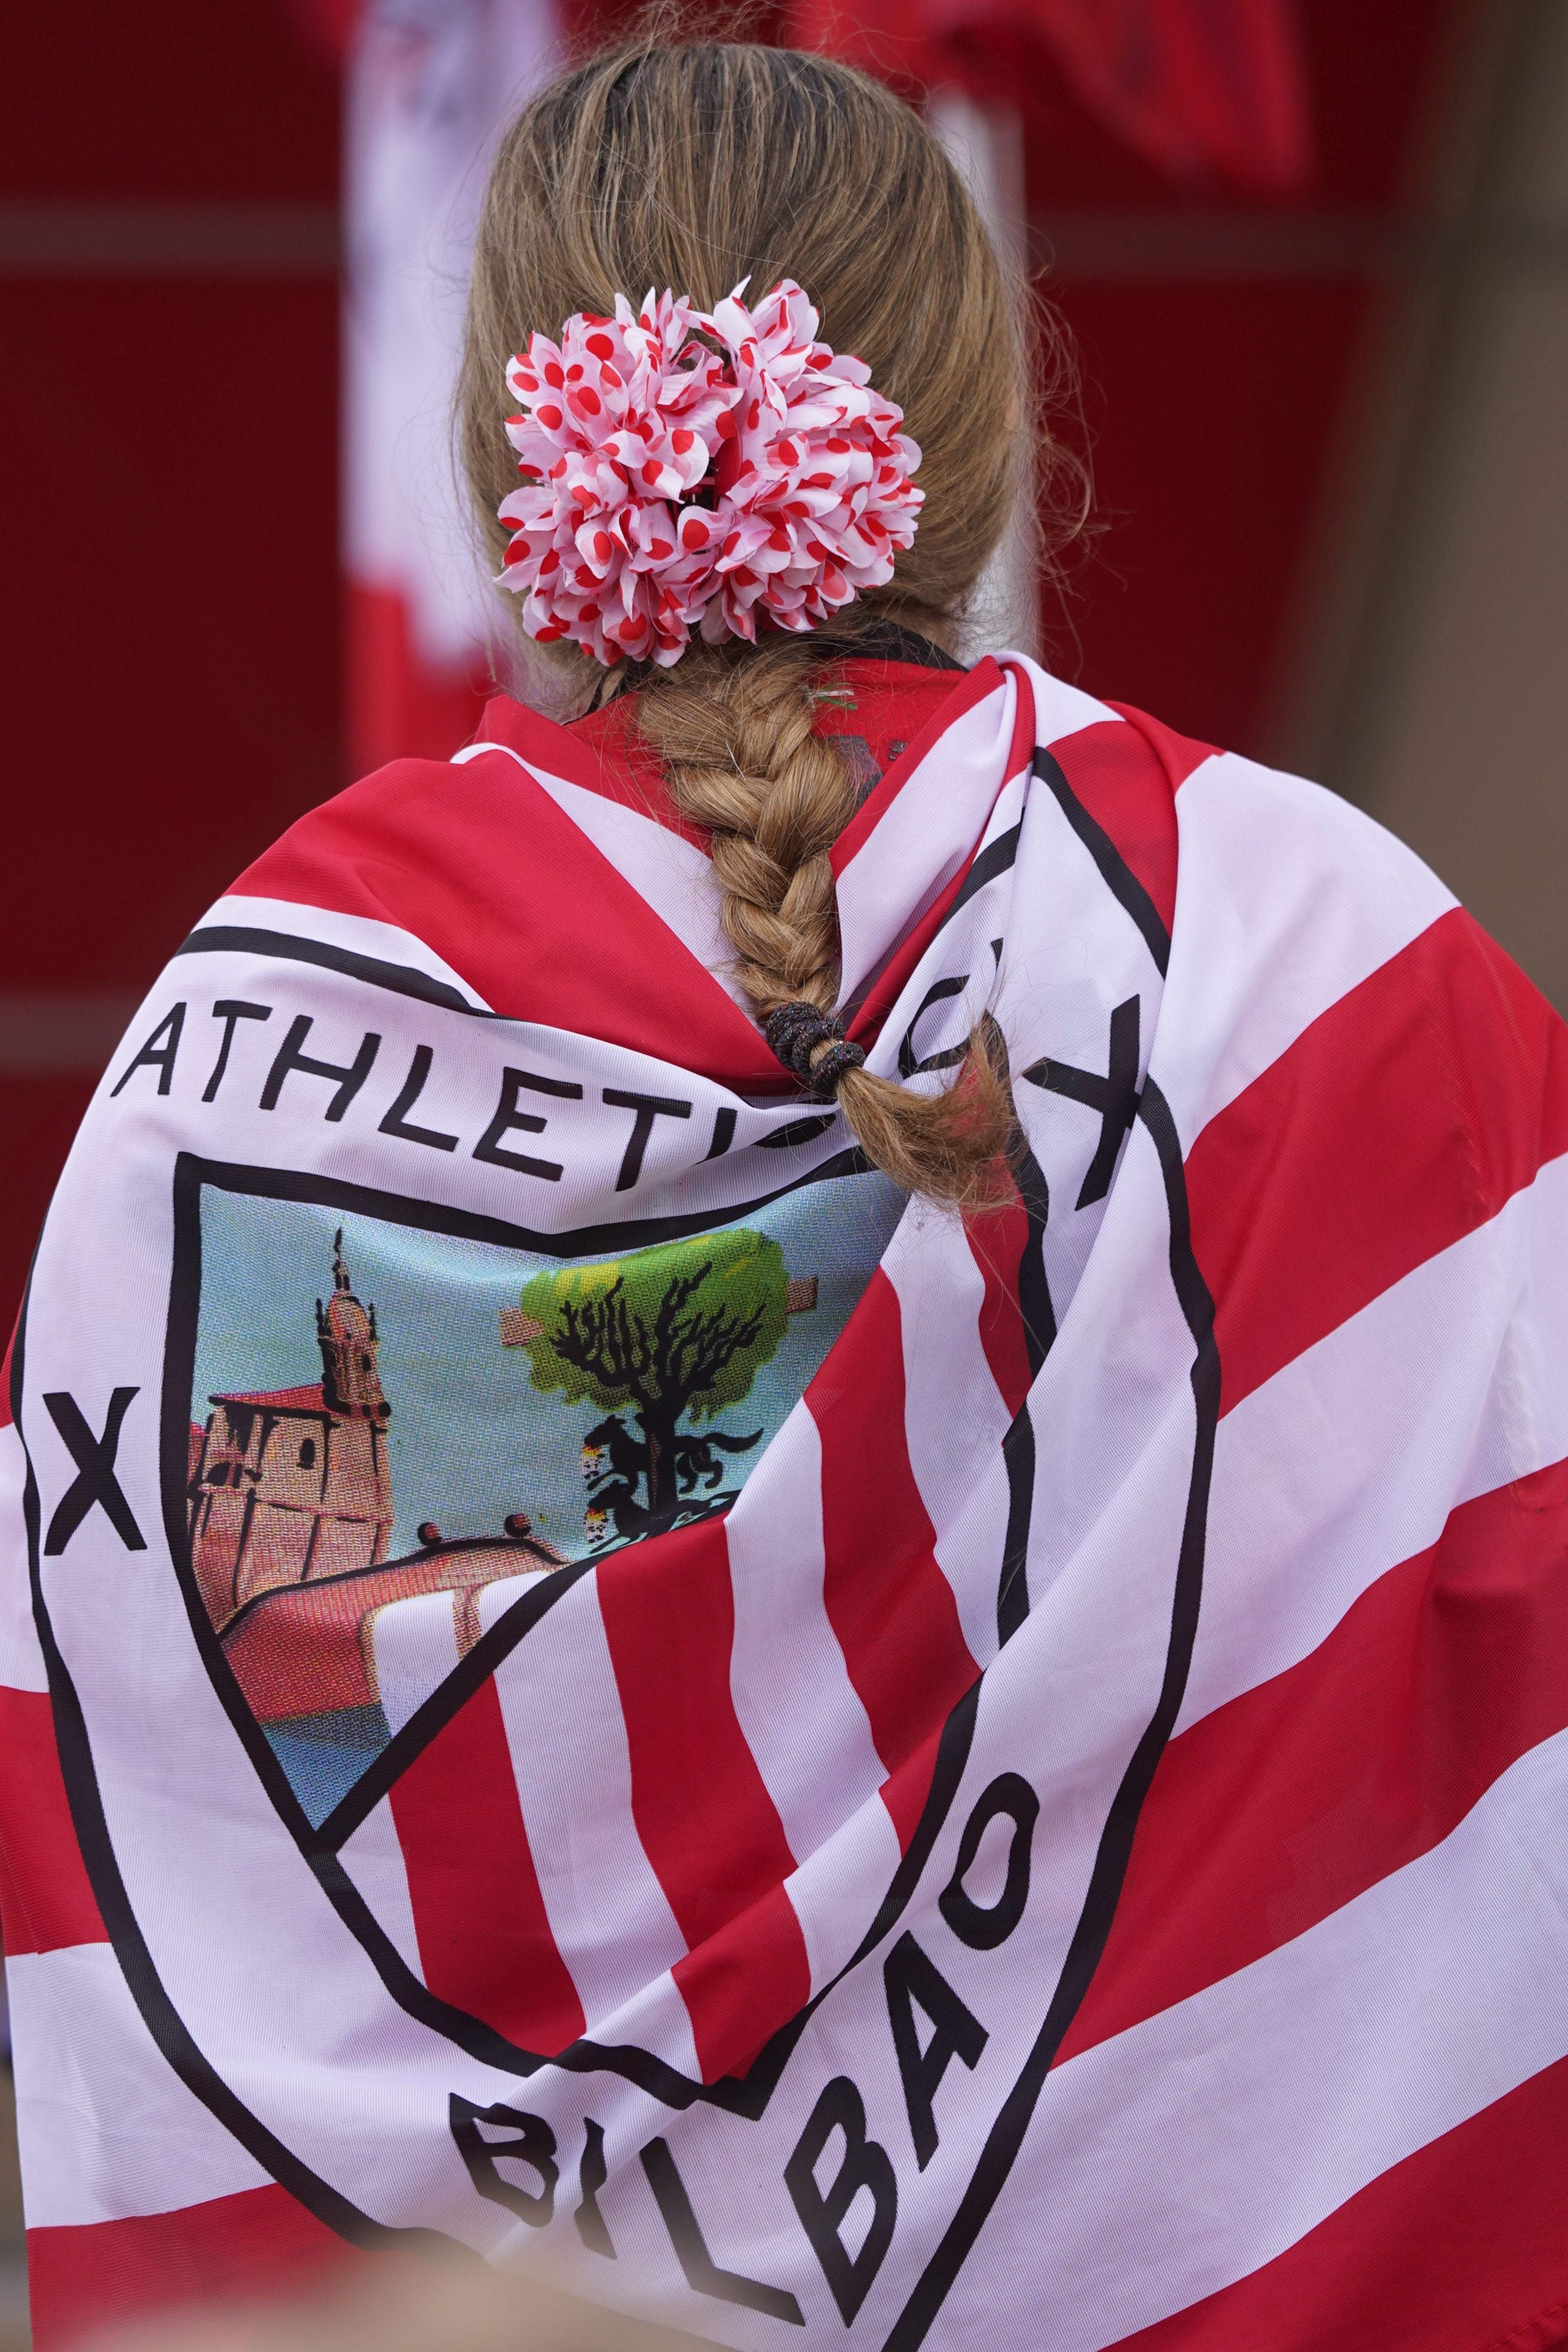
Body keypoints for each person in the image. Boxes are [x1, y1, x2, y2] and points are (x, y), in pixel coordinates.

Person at [4, 33, 1567, 2352]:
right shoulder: (1295, 950)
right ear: (980, 435)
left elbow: (113, 1747)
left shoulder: (216, 1050)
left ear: (508, 446)